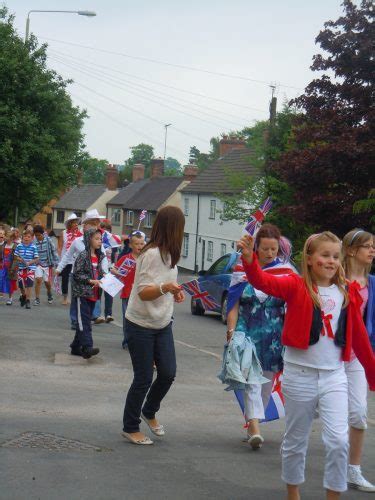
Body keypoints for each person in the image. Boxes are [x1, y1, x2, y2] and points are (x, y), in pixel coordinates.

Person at [237, 231, 375, 500]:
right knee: (295, 441)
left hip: (334, 376)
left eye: (335, 256)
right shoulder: (295, 285)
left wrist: (372, 373)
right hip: (299, 375)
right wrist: (249, 259)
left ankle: (332, 496)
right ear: (309, 259)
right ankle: (293, 494)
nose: (331, 261)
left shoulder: (347, 292)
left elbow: (359, 338)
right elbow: (262, 281)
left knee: (338, 441)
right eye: (325, 255)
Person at [226, 224, 296, 449]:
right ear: (256, 248)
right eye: (265, 248)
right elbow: (233, 304)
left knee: (266, 384)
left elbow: (295, 305)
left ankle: (253, 420)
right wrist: (231, 331)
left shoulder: (286, 272)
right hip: (247, 332)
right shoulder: (241, 269)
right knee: (251, 381)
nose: (269, 253)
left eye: (273, 249)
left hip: (275, 336)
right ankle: (254, 426)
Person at [122, 206, 185, 445]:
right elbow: (143, 292)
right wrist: (165, 289)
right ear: (173, 228)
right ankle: (130, 426)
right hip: (140, 323)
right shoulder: (151, 254)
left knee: (168, 372)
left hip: (162, 322)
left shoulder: (171, 255)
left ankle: (149, 410)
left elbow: (167, 284)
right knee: (144, 377)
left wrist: (174, 292)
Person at [342, 229, 375, 492]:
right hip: (332, 354)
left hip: (358, 357)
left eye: (373, 246)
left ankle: (353, 470)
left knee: (358, 415)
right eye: (367, 246)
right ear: (351, 250)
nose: (372, 250)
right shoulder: (334, 278)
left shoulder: (372, 284)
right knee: (316, 411)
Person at [56, 209, 108, 330]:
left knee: (91, 297)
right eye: (92, 224)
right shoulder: (77, 241)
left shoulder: (98, 241)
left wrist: (105, 272)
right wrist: (59, 268)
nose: (95, 227)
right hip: (78, 274)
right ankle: (75, 320)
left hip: (93, 275)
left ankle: (89, 317)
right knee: (76, 298)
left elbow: (103, 258)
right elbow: (67, 256)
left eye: (96, 224)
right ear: (85, 226)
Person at [70, 229, 105, 359]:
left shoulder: (100, 256)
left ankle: (75, 347)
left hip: (94, 293)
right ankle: (87, 347)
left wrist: (105, 277)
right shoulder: (83, 255)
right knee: (84, 321)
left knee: (84, 320)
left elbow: (99, 272)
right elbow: (77, 274)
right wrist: (90, 280)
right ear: (89, 239)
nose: (99, 241)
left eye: (100, 239)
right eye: (96, 238)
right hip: (82, 293)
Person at [111, 231, 146, 349]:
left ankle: (138, 341)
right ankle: (127, 340)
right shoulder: (126, 258)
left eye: (142, 244)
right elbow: (114, 269)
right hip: (127, 293)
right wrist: (116, 271)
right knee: (127, 319)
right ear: (131, 245)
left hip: (141, 294)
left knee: (140, 319)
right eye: (137, 244)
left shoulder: (146, 259)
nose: (140, 246)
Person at [57, 214, 82, 306]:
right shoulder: (63, 233)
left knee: (76, 279)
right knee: (65, 278)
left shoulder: (80, 234)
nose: (76, 224)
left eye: (77, 223)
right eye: (74, 223)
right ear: (70, 224)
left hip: (76, 260)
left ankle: (76, 297)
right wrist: (60, 258)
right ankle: (65, 297)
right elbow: (59, 246)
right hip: (66, 259)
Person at [33, 225, 59, 305]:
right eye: (36, 235)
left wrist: (57, 263)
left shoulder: (48, 240)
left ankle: (49, 293)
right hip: (38, 264)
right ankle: (37, 298)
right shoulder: (34, 242)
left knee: (47, 282)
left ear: (42, 234)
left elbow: (54, 251)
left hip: (48, 264)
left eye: (39, 235)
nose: (37, 237)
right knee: (38, 280)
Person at [14, 229, 39, 309]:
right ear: (22, 237)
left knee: (29, 284)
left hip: (30, 268)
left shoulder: (33, 247)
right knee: (21, 285)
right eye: (25, 236)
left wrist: (30, 262)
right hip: (21, 268)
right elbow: (15, 256)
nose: (26, 238)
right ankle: (24, 295)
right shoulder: (19, 246)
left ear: (32, 238)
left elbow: (36, 258)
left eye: (29, 237)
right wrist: (20, 259)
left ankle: (28, 301)